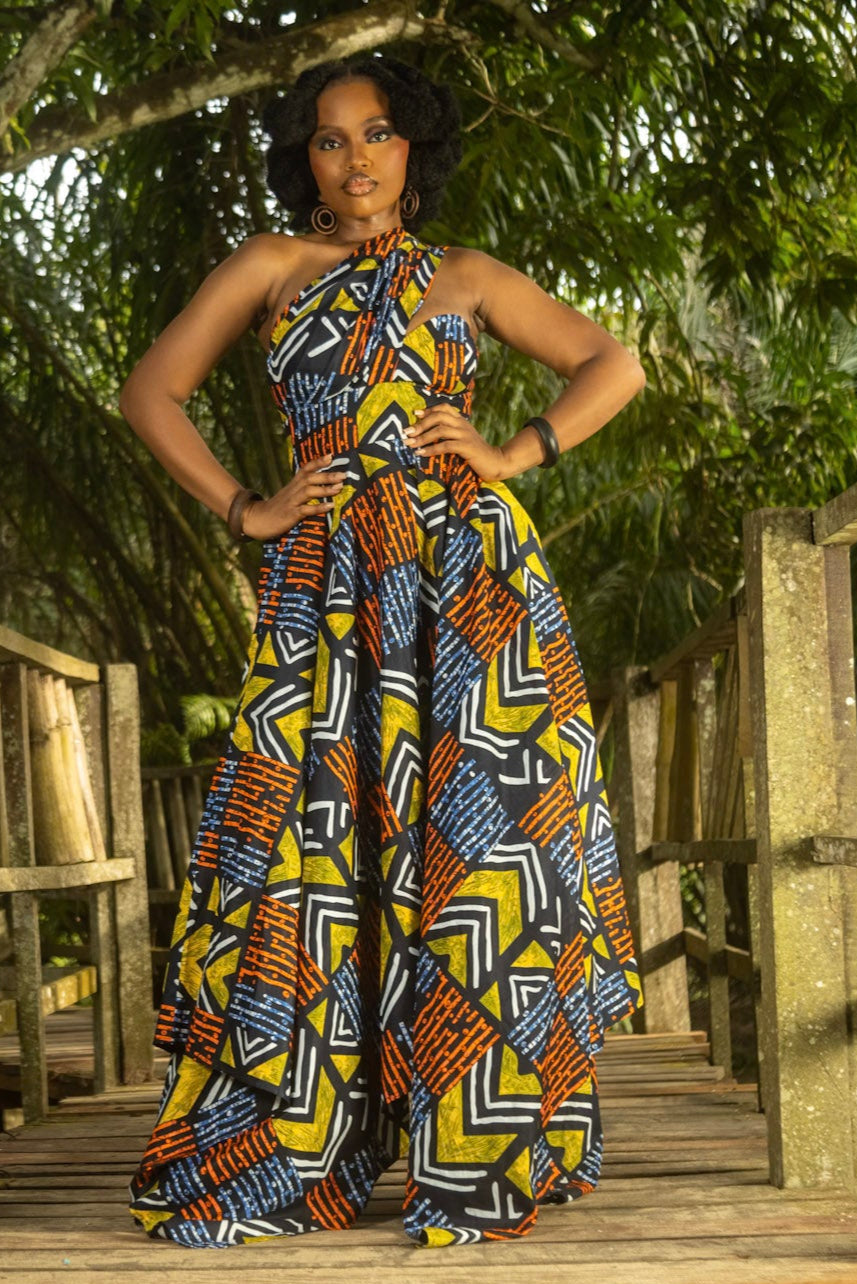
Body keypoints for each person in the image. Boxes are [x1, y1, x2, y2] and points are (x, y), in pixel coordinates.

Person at [122, 53, 645, 1250]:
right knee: (309, 851)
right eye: (328, 138)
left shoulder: (464, 276)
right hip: (328, 595)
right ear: (303, 159)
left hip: (473, 597)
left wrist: (514, 451)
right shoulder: (270, 266)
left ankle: (478, 1139)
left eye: (376, 133)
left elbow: (613, 363)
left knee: (485, 858)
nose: (354, 158)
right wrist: (247, 507)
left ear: (414, 147)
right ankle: (301, 1134)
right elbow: (150, 393)